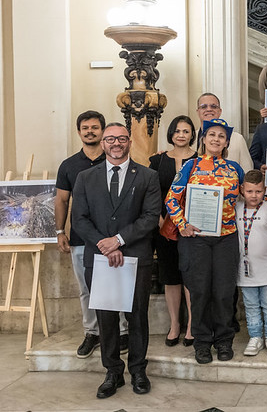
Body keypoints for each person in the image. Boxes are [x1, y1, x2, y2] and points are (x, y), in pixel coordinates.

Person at [72, 123, 161, 398]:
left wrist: (119, 241)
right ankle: (112, 372)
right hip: (99, 258)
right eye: (110, 139)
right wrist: (106, 245)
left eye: (121, 139)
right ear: (103, 143)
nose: (116, 143)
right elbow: (79, 219)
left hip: (136, 258)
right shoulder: (85, 177)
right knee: (106, 318)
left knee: (137, 318)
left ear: (129, 142)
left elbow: (150, 217)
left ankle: (137, 370)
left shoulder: (148, 176)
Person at [166, 119, 245, 365]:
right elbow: (171, 199)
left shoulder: (235, 169)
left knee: (223, 292)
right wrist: (183, 225)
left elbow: (247, 197)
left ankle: (223, 340)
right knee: (200, 292)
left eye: (221, 136)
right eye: (212, 134)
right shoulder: (190, 166)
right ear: (203, 138)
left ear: (227, 142)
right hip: (196, 239)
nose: (216, 139)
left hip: (226, 237)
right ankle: (201, 342)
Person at [55, 111, 129, 359]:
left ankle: (121, 331)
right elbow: (62, 200)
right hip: (82, 238)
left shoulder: (115, 159)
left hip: (115, 240)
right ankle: (92, 332)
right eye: (85, 128)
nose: (90, 131)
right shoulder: (69, 166)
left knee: (117, 286)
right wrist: (59, 231)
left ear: (103, 131)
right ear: (79, 132)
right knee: (87, 288)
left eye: (95, 128)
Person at [148, 116, 197, 348]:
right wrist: (159, 220)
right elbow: (151, 193)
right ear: (171, 133)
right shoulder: (157, 161)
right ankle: (175, 324)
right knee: (170, 276)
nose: (181, 135)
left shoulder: (200, 160)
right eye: (177, 131)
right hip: (163, 227)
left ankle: (191, 326)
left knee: (190, 275)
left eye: (186, 131)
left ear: (192, 135)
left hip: (192, 228)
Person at [237, 169, 267, 357]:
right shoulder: (235, 209)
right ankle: (255, 337)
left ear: (264, 190)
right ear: (242, 190)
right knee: (250, 304)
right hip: (245, 269)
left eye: (258, 191)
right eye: (249, 191)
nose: (254, 195)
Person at [196, 93, 253, 171]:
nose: (209, 109)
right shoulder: (190, 138)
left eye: (213, 106)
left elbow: (247, 172)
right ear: (198, 111)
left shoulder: (238, 139)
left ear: (220, 111)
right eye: (203, 106)